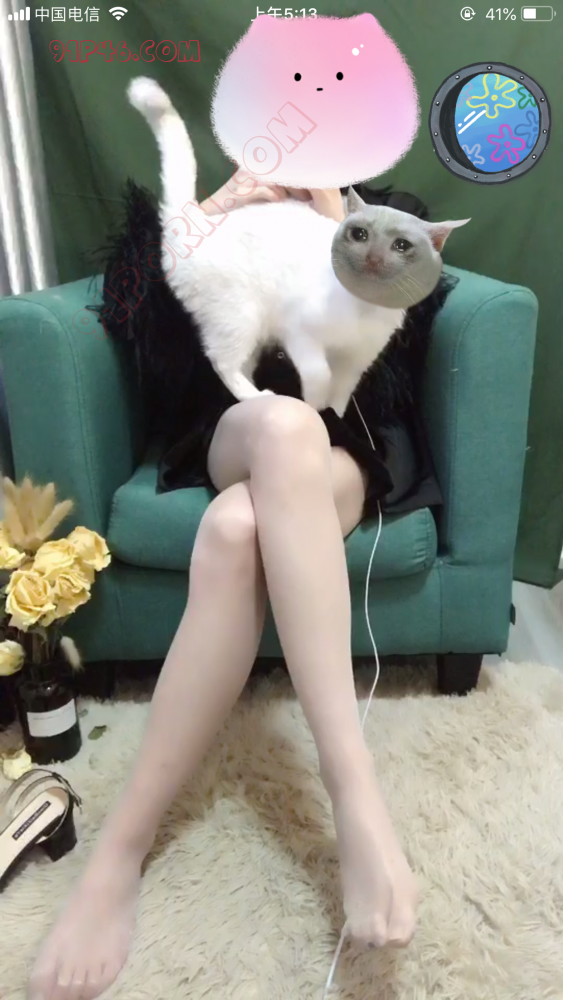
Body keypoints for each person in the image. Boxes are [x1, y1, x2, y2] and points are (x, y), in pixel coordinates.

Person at [28, 177, 418, 1000]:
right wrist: (209, 215)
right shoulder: (220, 216)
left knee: (239, 528)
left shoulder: (375, 219)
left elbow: (390, 349)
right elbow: (141, 324)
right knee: (280, 422)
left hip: (341, 451)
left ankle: (119, 852)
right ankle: (352, 790)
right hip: (239, 429)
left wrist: (335, 221)